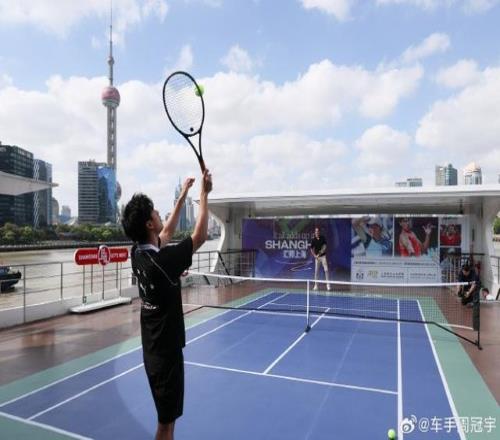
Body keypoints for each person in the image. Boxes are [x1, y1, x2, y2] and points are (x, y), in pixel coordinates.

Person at [121, 170, 212, 440]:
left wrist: (183, 195)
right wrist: (204, 194)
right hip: (165, 355)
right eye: (154, 211)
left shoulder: (138, 253)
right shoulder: (163, 262)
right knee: (166, 425)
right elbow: (200, 236)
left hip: (153, 348)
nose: (159, 212)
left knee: (166, 421)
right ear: (149, 224)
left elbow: (168, 232)